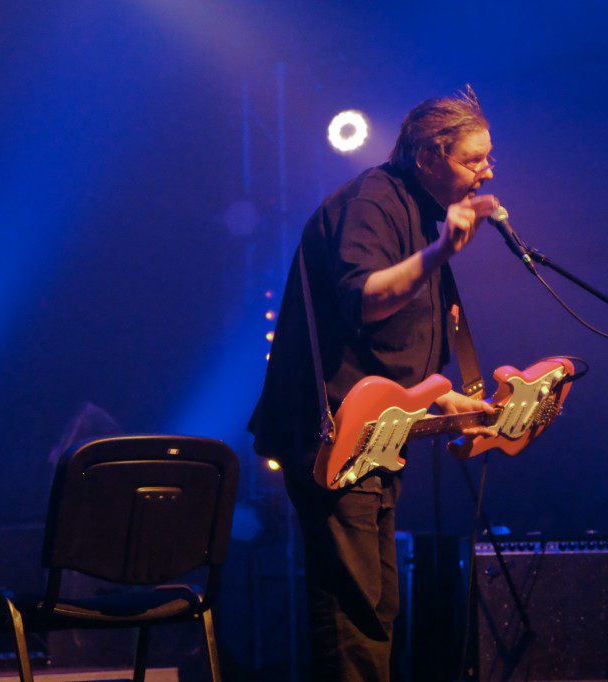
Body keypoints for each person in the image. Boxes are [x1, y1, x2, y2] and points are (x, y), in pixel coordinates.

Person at [248, 86, 498, 680]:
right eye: (474, 159)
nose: (488, 171)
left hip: (376, 434)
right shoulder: (374, 200)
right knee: (353, 608)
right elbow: (364, 303)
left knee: (379, 602)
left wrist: (447, 398)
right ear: (429, 156)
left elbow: (389, 356)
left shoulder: (418, 214)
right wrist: (439, 253)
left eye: (488, 157)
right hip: (331, 432)